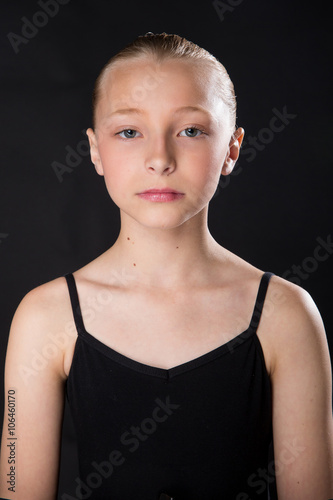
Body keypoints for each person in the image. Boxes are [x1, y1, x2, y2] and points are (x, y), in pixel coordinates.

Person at [0, 32, 332, 500]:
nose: (159, 159)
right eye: (129, 132)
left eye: (190, 131)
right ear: (95, 150)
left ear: (232, 149)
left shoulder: (287, 314)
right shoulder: (44, 317)